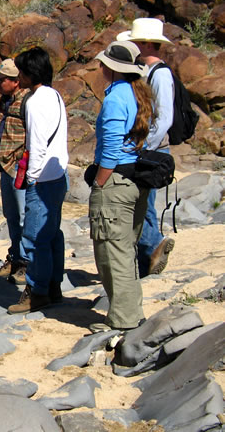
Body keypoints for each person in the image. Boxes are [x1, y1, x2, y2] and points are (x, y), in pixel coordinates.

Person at [87, 40, 154, 332]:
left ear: (113, 69)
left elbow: (112, 147)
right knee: (124, 250)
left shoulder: (115, 97)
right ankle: (130, 314)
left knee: (112, 253)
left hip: (115, 183)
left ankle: (124, 321)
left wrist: (100, 183)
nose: (100, 67)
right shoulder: (137, 93)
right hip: (135, 180)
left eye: (104, 64)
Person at [7, 47, 69, 314]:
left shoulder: (33, 101)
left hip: (42, 179)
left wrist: (31, 178)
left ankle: (37, 291)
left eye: (21, 71)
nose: (18, 77)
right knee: (52, 234)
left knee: (34, 238)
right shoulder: (54, 95)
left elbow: (36, 144)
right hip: (57, 175)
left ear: (31, 73)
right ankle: (53, 286)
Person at [117, 18, 175, 277]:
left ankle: (154, 245)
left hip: (151, 149)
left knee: (144, 202)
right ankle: (147, 258)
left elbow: (164, 117)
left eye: (136, 42)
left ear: (147, 44)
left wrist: (145, 146)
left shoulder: (160, 74)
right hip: (146, 147)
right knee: (142, 202)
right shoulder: (147, 72)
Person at [0, 59, 29, 285]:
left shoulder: (27, 101)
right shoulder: (5, 100)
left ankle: (26, 262)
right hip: (5, 166)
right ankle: (15, 256)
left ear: (15, 81)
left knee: (23, 216)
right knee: (11, 216)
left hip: (18, 167)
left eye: (1, 79)